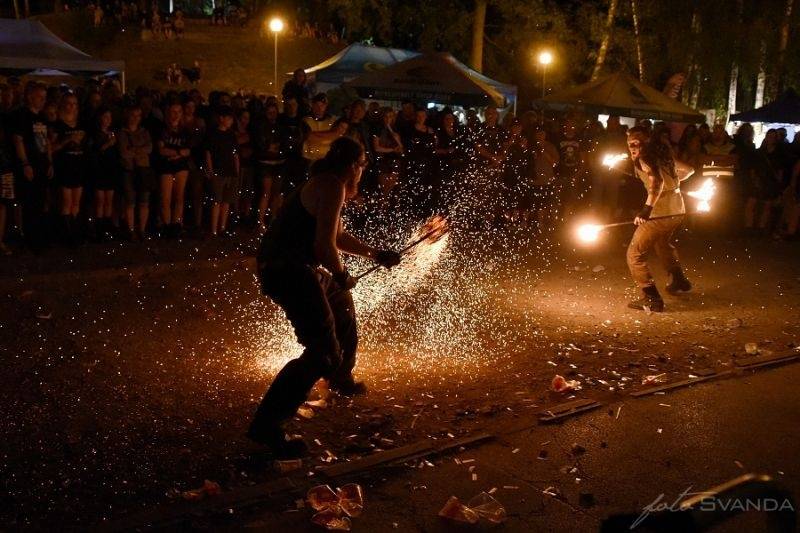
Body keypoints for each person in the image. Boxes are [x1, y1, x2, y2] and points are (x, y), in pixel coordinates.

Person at [249, 137, 401, 458]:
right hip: (286, 269)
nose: (363, 172)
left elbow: (335, 236)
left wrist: (375, 254)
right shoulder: (331, 186)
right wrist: (343, 274)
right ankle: (268, 425)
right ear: (352, 166)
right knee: (320, 350)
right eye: (362, 165)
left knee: (342, 304)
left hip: (296, 265)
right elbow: (324, 248)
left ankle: (341, 375)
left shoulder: (329, 183)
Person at [625, 127, 693, 312]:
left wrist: (646, 210)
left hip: (660, 214)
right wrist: (673, 185)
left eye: (636, 142)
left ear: (646, 142)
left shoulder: (644, 158)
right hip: (677, 211)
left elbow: (657, 183)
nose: (632, 146)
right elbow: (689, 170)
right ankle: (679, 280)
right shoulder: (664, 156)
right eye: (630, 143)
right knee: (662, 243)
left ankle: (652, 298)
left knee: (634, 254)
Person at [11, 82, 53, 253]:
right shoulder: (21, 116)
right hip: (30, 165)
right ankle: (30, 239)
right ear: (30, 97)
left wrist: (49, 162)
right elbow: (18, 140)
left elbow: (46, 141)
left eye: (44, 97)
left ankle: (40, 238)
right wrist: (25, 163)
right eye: (40, 97)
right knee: (30, 203)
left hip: (42, 164)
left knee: (41, 201)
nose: (43, 101)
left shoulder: (41, 117)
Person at [50, 93, 88, 245]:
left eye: (74, 104)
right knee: (66, 201)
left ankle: (75, 232)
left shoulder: (81, 125)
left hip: (78, 165)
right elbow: (52, 148)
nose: (72, 106)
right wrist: (68, 139)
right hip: (64, 166)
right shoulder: (57, 125)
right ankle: (66, 234)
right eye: (69, 103)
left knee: (76, 202)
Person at [119, 105, 154, 241]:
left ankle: (142, 230)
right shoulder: (122, 133)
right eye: (133, 115)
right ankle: (131, 230)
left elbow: (150, 148)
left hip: (143, 169)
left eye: (138, 116)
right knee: (130, 201)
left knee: (144, 201)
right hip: (129, 170)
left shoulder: (144, 132)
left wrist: (134, 149)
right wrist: (140, 150)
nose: (135, 118)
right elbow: (124, 153)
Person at [204, 105, 240, 237]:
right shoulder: (213, 134)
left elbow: (235, 154)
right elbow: (208, 153)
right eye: (229, 118)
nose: (231, 121)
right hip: (219, 171)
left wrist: (236, 170)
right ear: (221, 118)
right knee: (216, 201)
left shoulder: (231, 135)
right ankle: (213, 229)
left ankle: (222, 227)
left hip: (230, 172)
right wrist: (211, 170)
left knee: (226, 201)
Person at [156, 102, 190, 237]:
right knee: (166, 197)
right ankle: (166, 224)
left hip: (181, 167)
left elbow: (188, 150)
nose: (176, 115)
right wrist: (178, 152)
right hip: (166, 166)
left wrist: (176, 153)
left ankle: (177, 224)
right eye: (173, 112)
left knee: (179, 197)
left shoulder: (185, 131)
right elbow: (161, 150)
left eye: (179, 112)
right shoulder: (162, 129)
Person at [88, 107, 121, 240]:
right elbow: (95, 150)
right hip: (99, 169)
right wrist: (108, 144)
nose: (108, 120)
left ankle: (107, 227)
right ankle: (99, 228)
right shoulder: (95, 134)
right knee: (100, 199)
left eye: (109, 117)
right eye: (105, 117)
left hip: (110, 169)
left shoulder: (112, 133)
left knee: (109, 199)